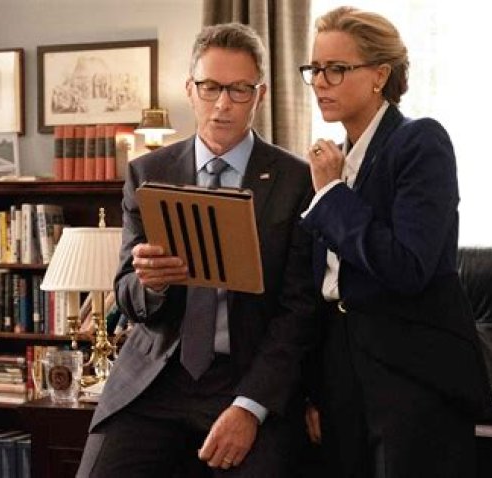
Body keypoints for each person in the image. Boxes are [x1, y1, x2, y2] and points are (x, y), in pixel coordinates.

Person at [77, 23, 316, 477]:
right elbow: (127, 296)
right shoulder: (148, 172)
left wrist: (250, 407)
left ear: (260, 95)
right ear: (191, 89)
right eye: (210, 87)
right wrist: (151, 285)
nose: (223, 104)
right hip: (155, 378)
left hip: (245, 378)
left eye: (239, 89)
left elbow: (299, 312)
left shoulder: (296, 181)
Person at [298, 7, 492, 477]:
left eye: (336, 68)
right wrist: (312, 389)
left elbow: (408, 265)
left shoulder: (419, 142)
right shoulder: (333, 161)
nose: (320, 82)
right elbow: (323, 285)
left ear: (379, 76)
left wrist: (332, 195)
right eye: (315, 69)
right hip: (340, 369)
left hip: (411, 369)